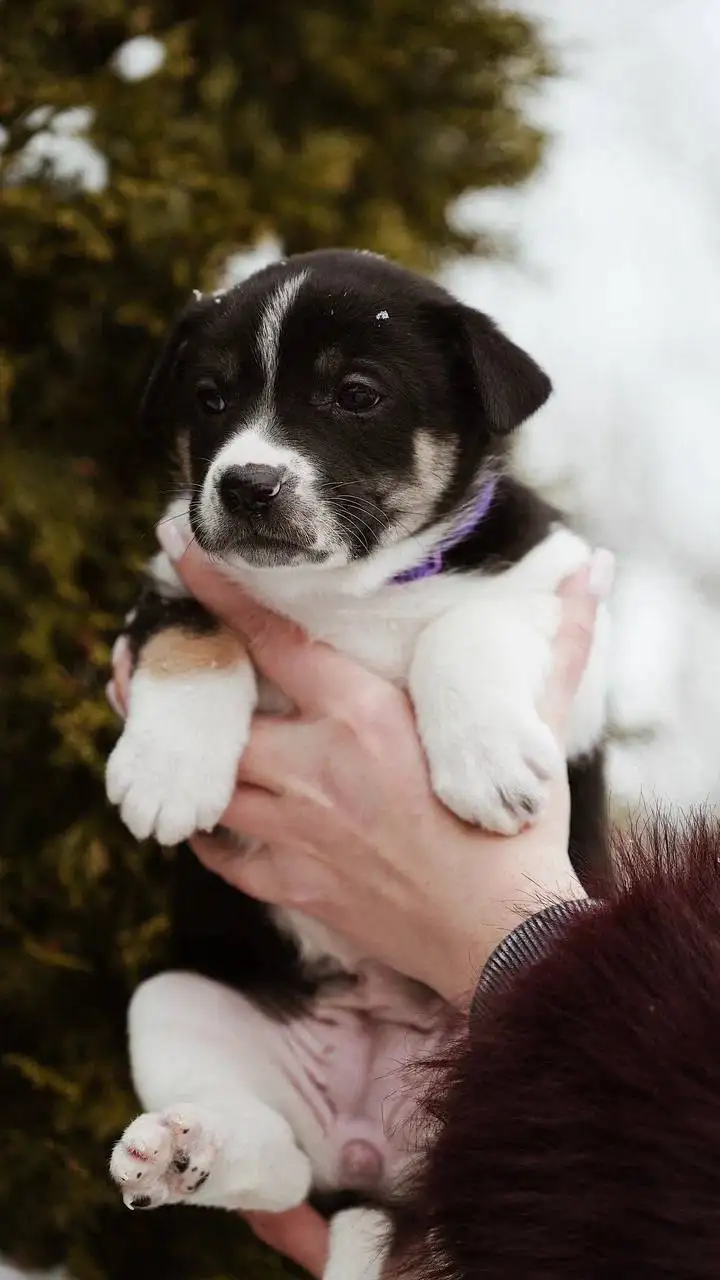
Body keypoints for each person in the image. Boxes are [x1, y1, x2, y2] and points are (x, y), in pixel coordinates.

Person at [110, 522, 720, 1278]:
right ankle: (234, 1131)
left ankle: (367, 1229)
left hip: (466, 1059)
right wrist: (184, 702)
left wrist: (510, 928)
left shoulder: (514, 565)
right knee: (173, 1011)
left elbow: (563, 689)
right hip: (302, 1029)